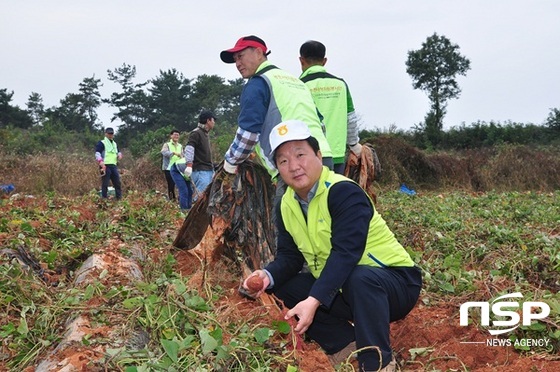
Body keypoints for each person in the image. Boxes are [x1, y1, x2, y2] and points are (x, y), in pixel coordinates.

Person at [242, 120, 422, 371]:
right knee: (285, 285)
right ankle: (345, 344)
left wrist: (314, 299)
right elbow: (290, 258)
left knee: (359, 277)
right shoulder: (287, 204)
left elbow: (346, 253)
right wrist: (267, 276)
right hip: (343, 289)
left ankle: (377, 362)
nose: (293, 166)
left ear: (318, 154)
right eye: (283, 161)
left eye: (300, 155)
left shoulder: (343, 192)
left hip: (394, 285)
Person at [219, 35, 333, 178]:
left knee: (286, 201)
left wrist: (231, 161)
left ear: (259, 53)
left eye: (240, 56)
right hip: (323, 156)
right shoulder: (294, 80)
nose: (237, 64)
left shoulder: (258, 83)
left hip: (295, 163)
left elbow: (249, 134)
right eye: (235, 59)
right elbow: (320, 123)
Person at [299, 40, 362, 174]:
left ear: (301, 60)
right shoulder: (341, 84)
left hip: (307, 155)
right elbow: (350, 119)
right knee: (334, 193)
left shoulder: (299, 86)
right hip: (336, 155)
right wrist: (353, 145)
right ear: (324, 61)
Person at [184, 111, 216, 200]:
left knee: (206, 197)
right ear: (208, 121)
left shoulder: (205, 133)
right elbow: (189, 148)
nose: (214, 123)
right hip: (200, 171)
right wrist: (189, 165)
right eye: (213, 120)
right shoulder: (196, 133)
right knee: (200, 198)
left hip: (207, 169)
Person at [95, 127, 123, 199]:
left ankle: (119, 198)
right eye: (109, 133)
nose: (110, 135)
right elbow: (97, 153)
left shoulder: (114, 144)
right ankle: (104, 199)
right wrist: (101, 162)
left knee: (117, 183)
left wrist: (119, 155)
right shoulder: (102, 143)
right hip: (105, 165)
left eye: (112, 133)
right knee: (105, 183)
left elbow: (118, 152)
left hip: (113, 166)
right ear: (106, 134)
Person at [160, 129, 183, 201]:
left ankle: (180, 199)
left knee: (180, 184)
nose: (176, 136)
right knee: (171, 184)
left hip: (178, 168)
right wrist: (173, 153)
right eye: (175, 135)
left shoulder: (180, 146)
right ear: (171, 136)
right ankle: (172, 200)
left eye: (178, 135)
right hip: (168, 168)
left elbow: (183, 155)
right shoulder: (167, 145)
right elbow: (163, 152)